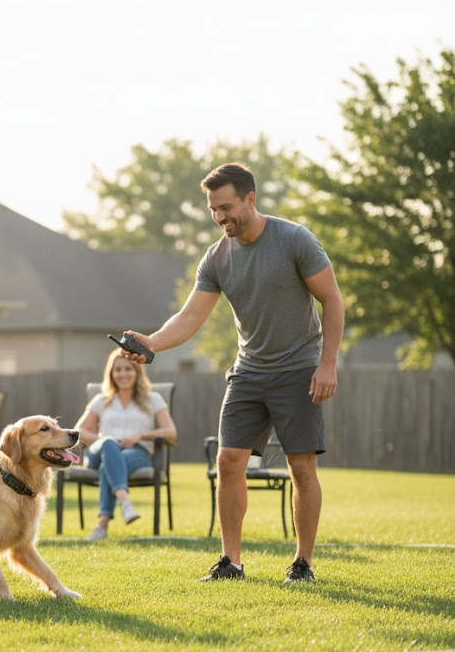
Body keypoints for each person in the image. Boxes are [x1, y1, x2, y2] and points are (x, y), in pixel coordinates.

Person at [124, 162, 345, 583]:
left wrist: (327, 364)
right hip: (248, 372)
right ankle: (232, 562)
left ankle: (303, 564)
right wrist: (151, 343)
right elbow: (191, 317)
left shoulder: (295, 240)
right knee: (228, 461)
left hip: (299, 368)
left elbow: (332, 301)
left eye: (226, 207)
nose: (220, 217)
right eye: (213, 210)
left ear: (250, 199)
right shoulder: (217, 258)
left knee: (301, 467)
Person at [76, 348, 177, 541]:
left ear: (137, 372)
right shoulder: (101, 400)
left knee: (110, 464)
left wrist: (140, 435)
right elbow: (79, 431)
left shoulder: (153, 399)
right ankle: (124, 501)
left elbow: (171, 432)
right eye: (118, 370)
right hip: (99, 452)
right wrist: (106, 441)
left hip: (136, 454)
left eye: (128, 369)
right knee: (109, 447)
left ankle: (102, 525)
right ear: (111, 374)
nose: (123, 374)